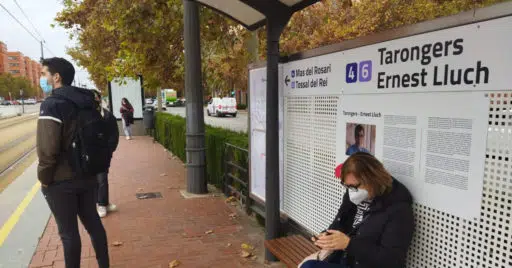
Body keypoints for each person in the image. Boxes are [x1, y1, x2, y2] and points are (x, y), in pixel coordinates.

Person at [37, 57, 109, 268]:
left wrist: (44, 179)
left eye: (43, 74)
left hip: (61, 181)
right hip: (88, 175)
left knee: (69, 234)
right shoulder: (88, 101)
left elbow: (47, 151)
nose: (41, 78)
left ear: (56, 77)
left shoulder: (52, 105)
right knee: (94, 225)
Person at [300, 152, 414, 268]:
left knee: (309, 266)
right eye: (346, 186)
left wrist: (349, 244)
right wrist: (327, 236)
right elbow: (341, 222)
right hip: (347, 259)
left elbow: (392, 260)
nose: (350, 192)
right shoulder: (355, 195)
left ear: (372, 180)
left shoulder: (399, 210)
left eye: (354, 187)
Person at [92, 89, 119, 218]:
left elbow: (114, 134)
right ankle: (100, 203)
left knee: (102, 179)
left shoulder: (108, 116)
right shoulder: (84, 115)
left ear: (99, 99)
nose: (94, 100)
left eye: (95, 97)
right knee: (95, 180)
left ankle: (103, 203)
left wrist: (110, 149)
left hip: (103, 154)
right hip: (89, 154)